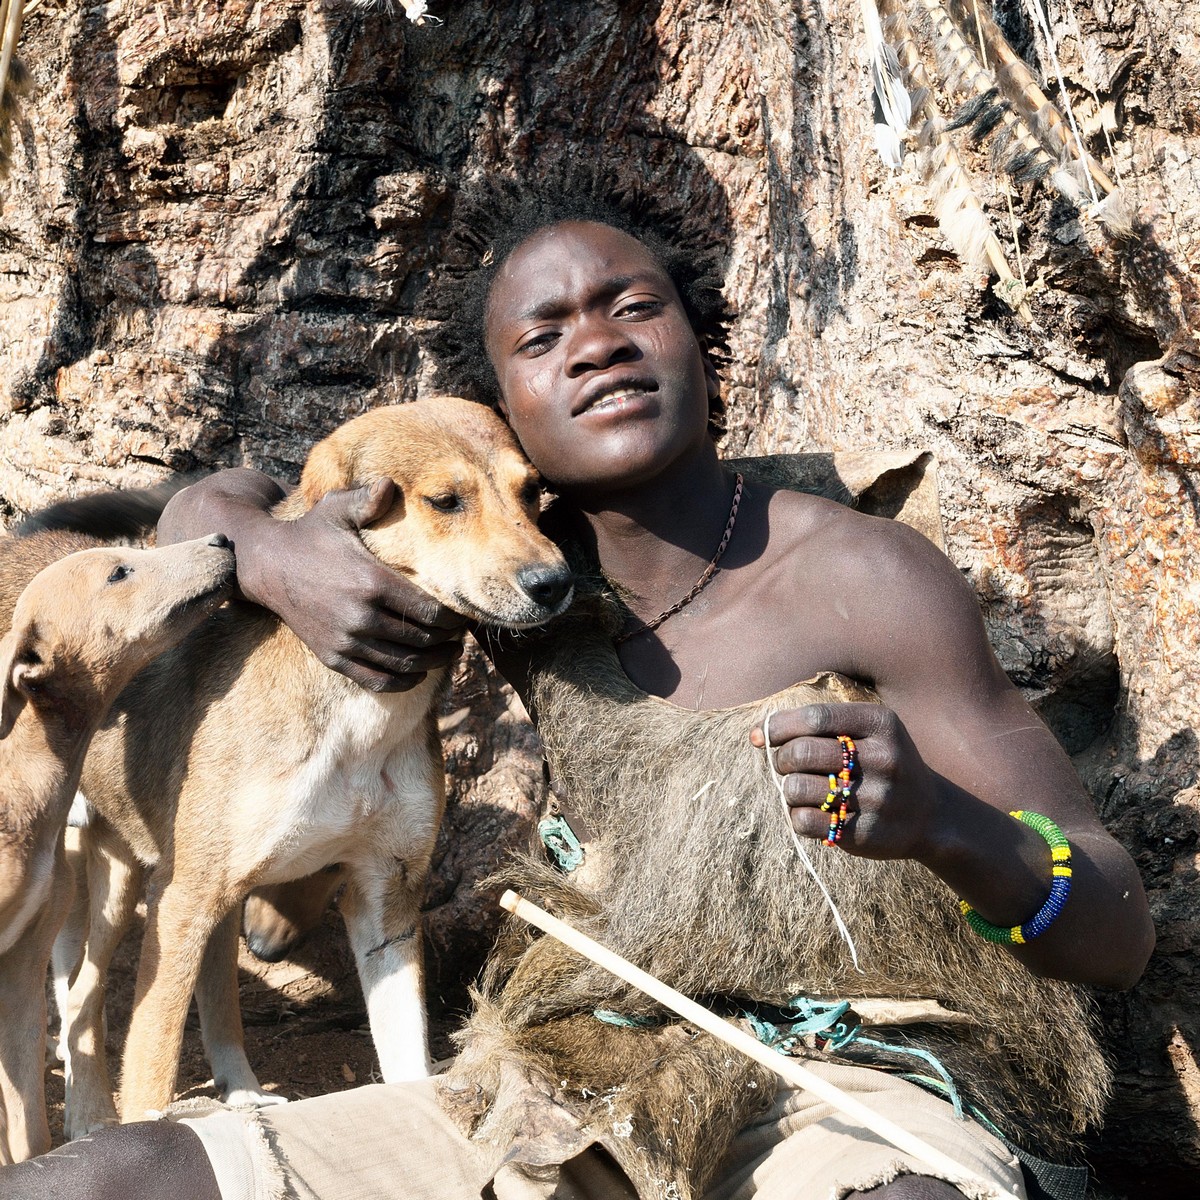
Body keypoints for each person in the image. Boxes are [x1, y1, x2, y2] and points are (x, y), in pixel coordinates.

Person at [0, 175, 1154, 1200]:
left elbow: (1114, 926)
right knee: (110, 1177)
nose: (594, 343)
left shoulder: (863, 574)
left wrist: (948, 827)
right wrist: (276, 551)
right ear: (496, 414)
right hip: (583, 1073)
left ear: (707, 345)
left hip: (856, 1092)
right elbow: (204, 507)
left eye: (634, 307)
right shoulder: (525, 587)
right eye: (542, 336)